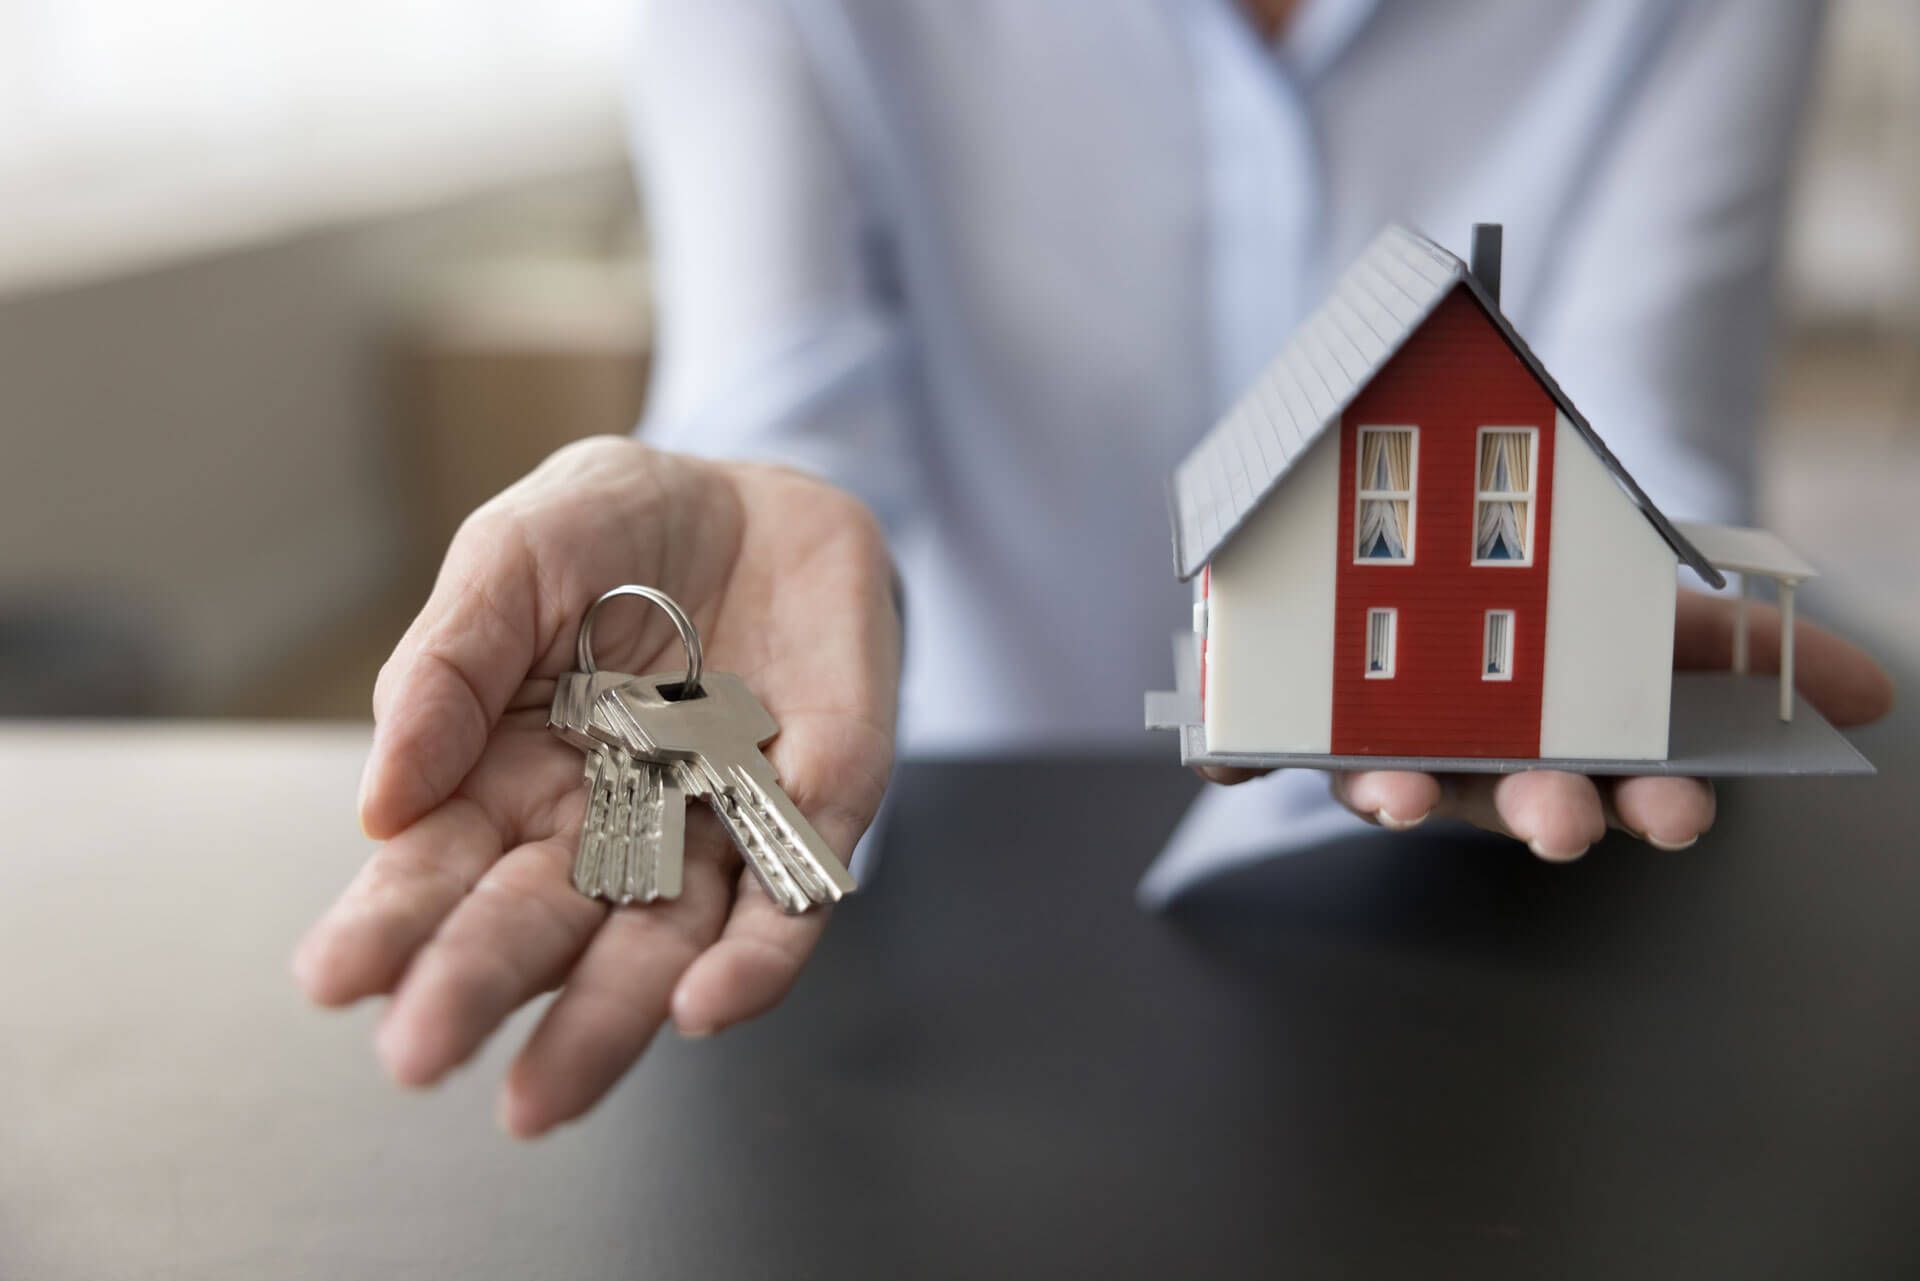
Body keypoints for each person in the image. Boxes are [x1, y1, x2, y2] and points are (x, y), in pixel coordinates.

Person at [294, 0, 1893, 1137]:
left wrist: (1618, 613)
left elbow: (1640, 429)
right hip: (947, 913)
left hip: (1499, 939)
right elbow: (775, 398)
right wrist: (748, 494)